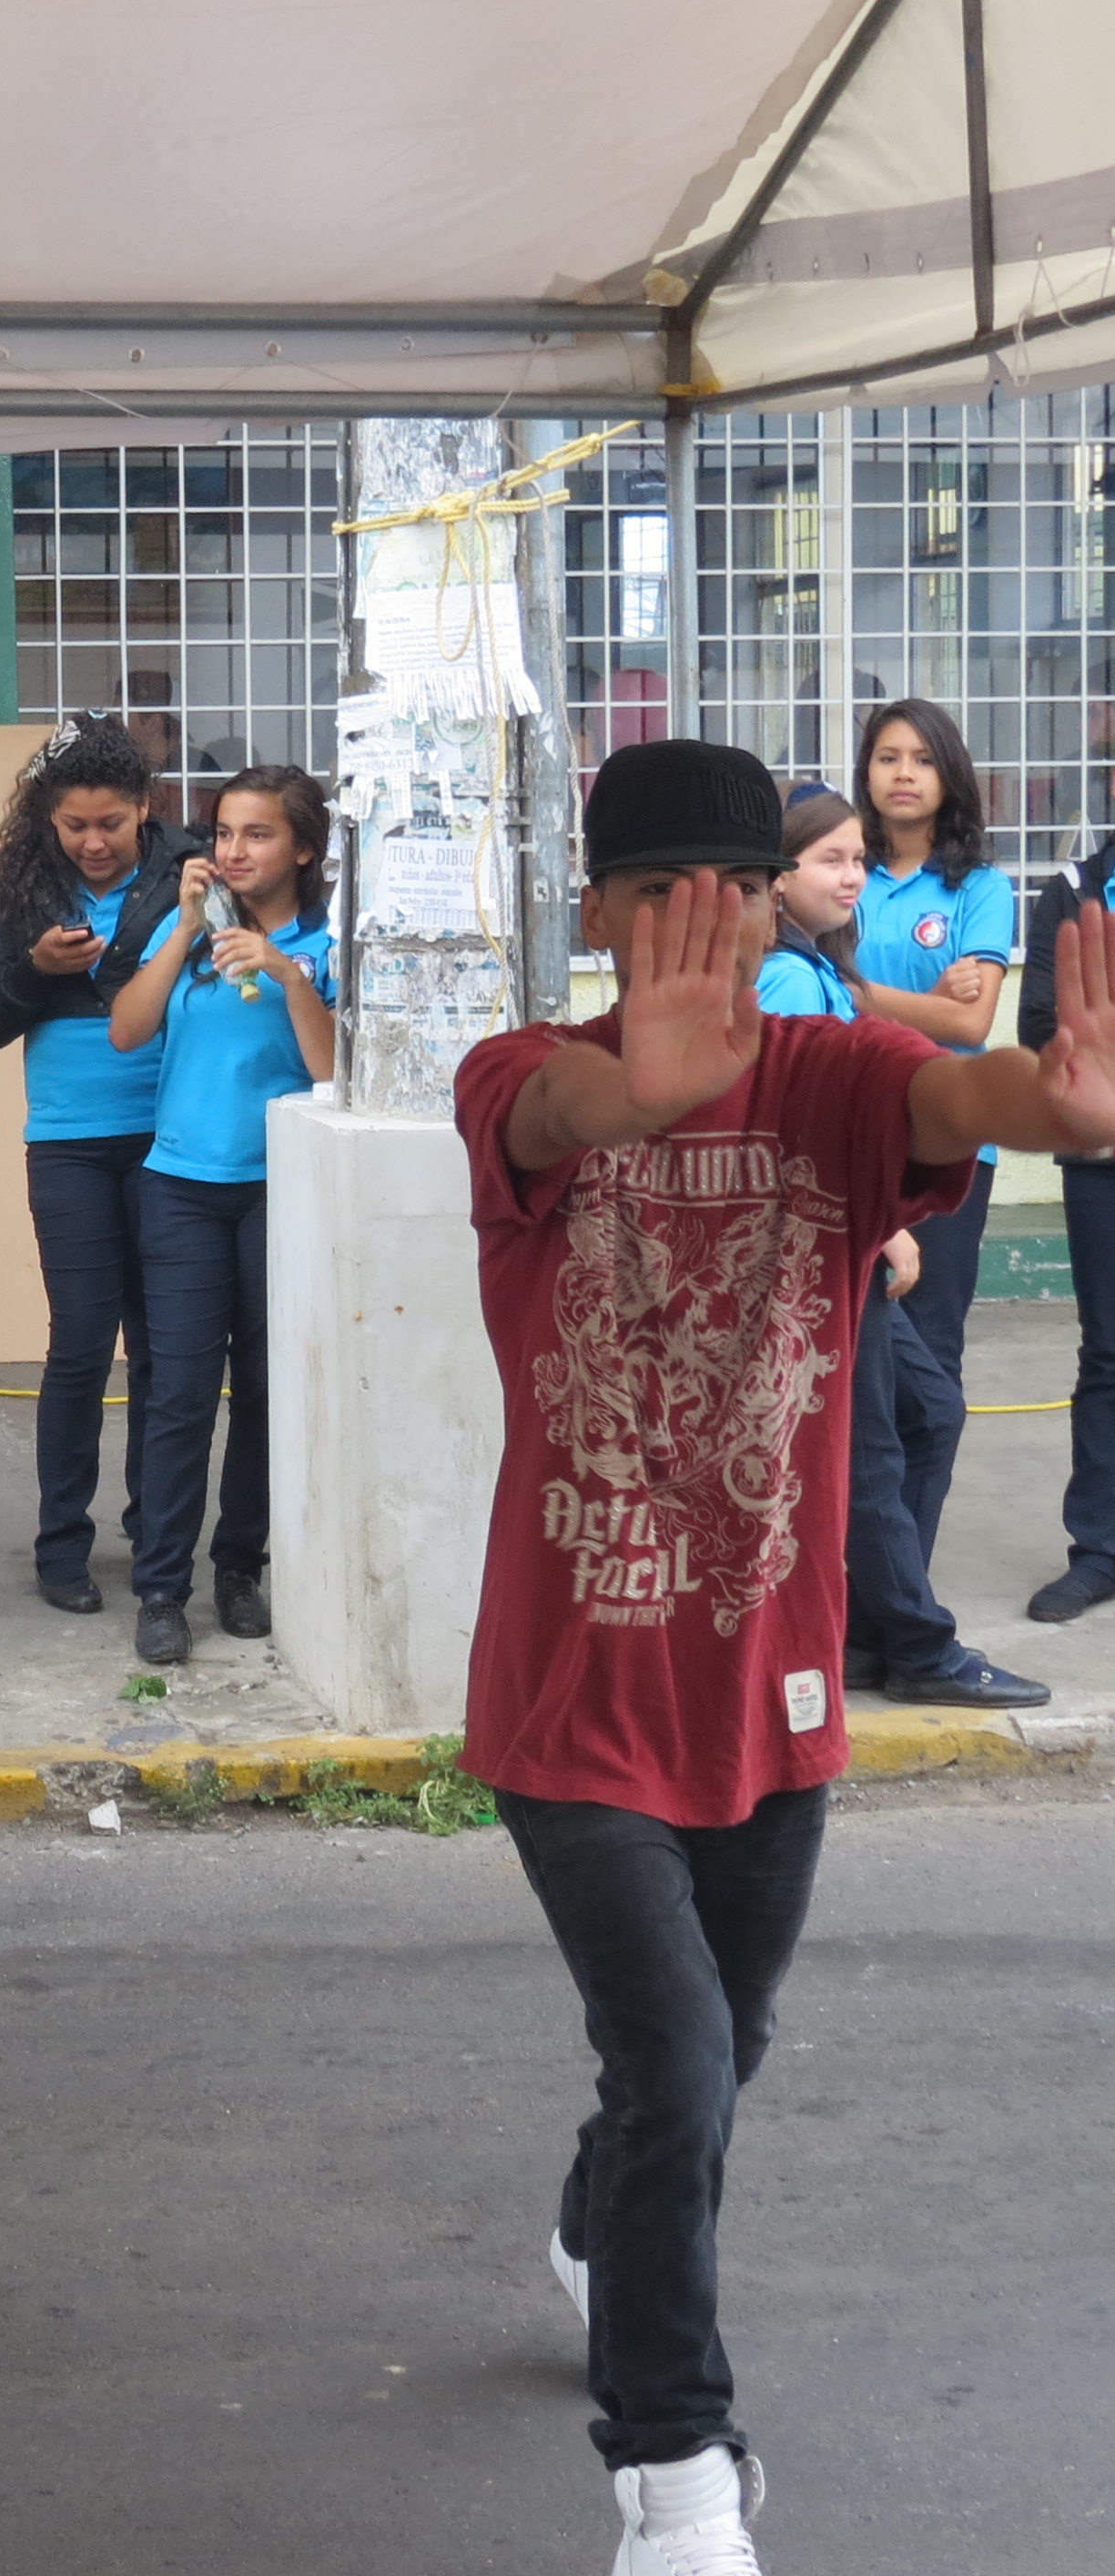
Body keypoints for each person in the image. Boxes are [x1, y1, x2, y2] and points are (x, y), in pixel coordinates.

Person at [451, 738, 1115, 2575]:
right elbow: (541, 1124)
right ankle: (674, 2473)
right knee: (670, 2049)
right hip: (564, 1690)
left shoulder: (833, 1076)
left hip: (772, 1684)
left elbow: (953, 1092)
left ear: (775, 904)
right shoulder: (517, 1069)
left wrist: (1055, 1111)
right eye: (663, 897)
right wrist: (621, 1094)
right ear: (594, 911)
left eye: (735, 894)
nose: (707, 931)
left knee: (710, 2052)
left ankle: (604, 2215)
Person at [759, 790, 1043, 1710]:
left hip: (853, 1232)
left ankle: (874, 1625)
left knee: (929, 1414)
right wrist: (881, 1222)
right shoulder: (790, 983)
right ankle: (915, 1645)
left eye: (855, 860)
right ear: (773, 880)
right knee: (874, 1448)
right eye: (827, 862)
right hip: (830, 1240)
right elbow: (796, 1126)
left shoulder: (820, 970)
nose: (849, 878)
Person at [0, 715, 198, 1613]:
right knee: (78, 1344)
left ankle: (153, 1529)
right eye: (74, 826)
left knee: (161, 1350)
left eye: (111, 823)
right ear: (48, 822)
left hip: (169, 1141)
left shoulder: (187, 876)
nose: (94, 843)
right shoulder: (28, 890)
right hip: (66, 1141)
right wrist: (34, 969)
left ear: (145, 807)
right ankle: (61, 1542)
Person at [105, 763, 334, 1665]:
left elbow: (328, 1066)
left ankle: (239, 1568)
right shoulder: (186, 927)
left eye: (258, 834)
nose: (234, 850)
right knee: (178, 1393)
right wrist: (184, 931)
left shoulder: (323, 941)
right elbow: (125, 1029)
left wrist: (282, 970)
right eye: (223, 833)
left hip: (280, 1187)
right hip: (180, 1185)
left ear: (302, 848)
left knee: (267, 1391)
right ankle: (161, 1585)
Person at [850, 699, 1013, 1387]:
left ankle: (913, 1504)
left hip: (950, 1142)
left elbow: (971, 1027)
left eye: (922, 760)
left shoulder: (979, 887)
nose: (904, 775)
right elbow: (810, 1005)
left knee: (931, 1359)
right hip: (850, 1132)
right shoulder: (843, 874)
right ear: (866, 774)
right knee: (851, 1349)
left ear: (950, 775)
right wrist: (930, 1005)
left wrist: (854, 993)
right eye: (888, 758)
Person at [1019, 820, 1115, 1621]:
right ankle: (1099, 1551)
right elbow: (1039, 1023)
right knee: (1109, 1356)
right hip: (1102, 1161)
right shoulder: (1075, 891)